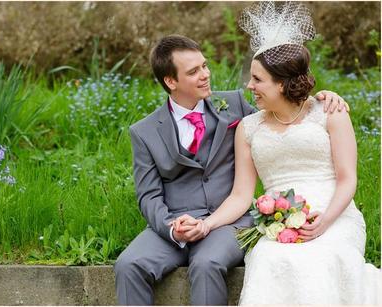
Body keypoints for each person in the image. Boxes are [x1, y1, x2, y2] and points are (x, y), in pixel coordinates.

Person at [114, 32, 347, 305]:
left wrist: (319, 97)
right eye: (193, 71)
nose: (205, 74)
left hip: (228, 221)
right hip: (175, 222)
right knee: (128, 265)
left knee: (207, 264)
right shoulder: (144, 132)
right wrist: (172, 228)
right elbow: (148, 196)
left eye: (204, 65)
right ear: (171, 81)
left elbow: (282, 111)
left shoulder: (234, 105)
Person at [173, 2, 381, 304]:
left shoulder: (330, 112)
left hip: (335, 216)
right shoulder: (248, 127)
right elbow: (241, 196)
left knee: (324, 257)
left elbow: (348, 179)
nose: (249, 85)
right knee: (268, 259)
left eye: (258, 79)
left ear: (282, 84)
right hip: (278, 223)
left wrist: (323, 222)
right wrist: (207, 224)